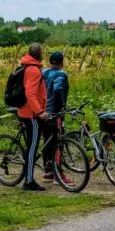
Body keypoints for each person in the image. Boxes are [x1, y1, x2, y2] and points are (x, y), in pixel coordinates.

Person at [16, 43, 48, 192]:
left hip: (25, 111)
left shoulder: (26, 66)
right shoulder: (34, 70)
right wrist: (40, 111)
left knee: (32, 146)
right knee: (32, 148)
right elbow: (30, 94)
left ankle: (29, 176)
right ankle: (28, 181)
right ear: (40, 54)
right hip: (32, 115)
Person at [41, 51, 72, 186]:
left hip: (42, 112)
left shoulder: (44, 72)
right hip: (54, 113)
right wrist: (62, 108)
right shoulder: (61, 74)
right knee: (57, 144)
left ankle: (48, 170)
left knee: (47, 141)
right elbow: (58, 90)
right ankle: (58, 175)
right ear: (62, 62)